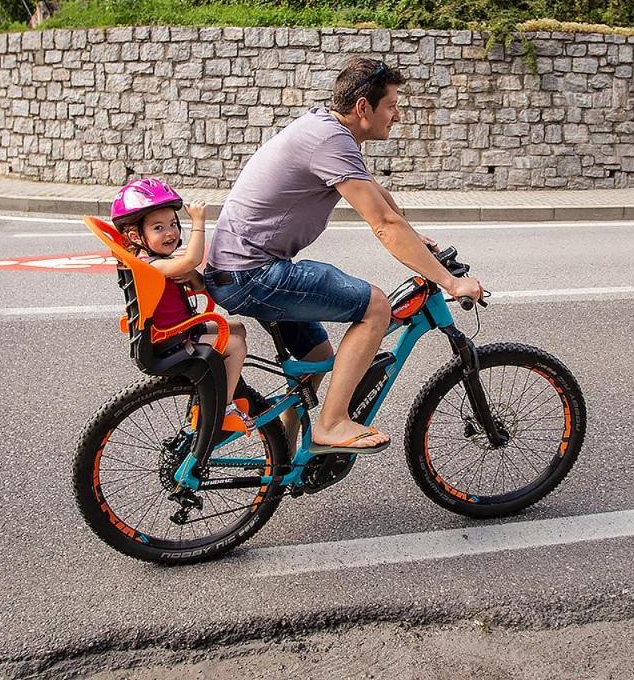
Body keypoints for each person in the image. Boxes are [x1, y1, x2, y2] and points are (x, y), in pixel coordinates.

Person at [203, 57, 484, 455]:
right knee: (375, 307)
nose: (398, 115)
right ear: (363, 108)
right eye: (392, 105)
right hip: (253, 274)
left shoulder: (329, 130)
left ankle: (281, 454)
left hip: (239, 270)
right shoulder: (330, 140)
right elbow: (383, 223)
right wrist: (451, 282)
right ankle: (331, 423)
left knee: (317, 356)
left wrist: (414, 237)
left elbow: (374, 195)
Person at [111, 178, 250, 425]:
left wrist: (191, 276)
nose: (170, 232)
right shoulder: (151, 264)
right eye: (158, 228)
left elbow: (195, 280)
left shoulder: (156, 261)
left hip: (178, 331)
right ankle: (223, 410)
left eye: (173, 224)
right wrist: (198, 222)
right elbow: (193, 259)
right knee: (236, 345)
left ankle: (211, 389)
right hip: (172, 341)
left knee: (237, 328)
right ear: (136, 235)